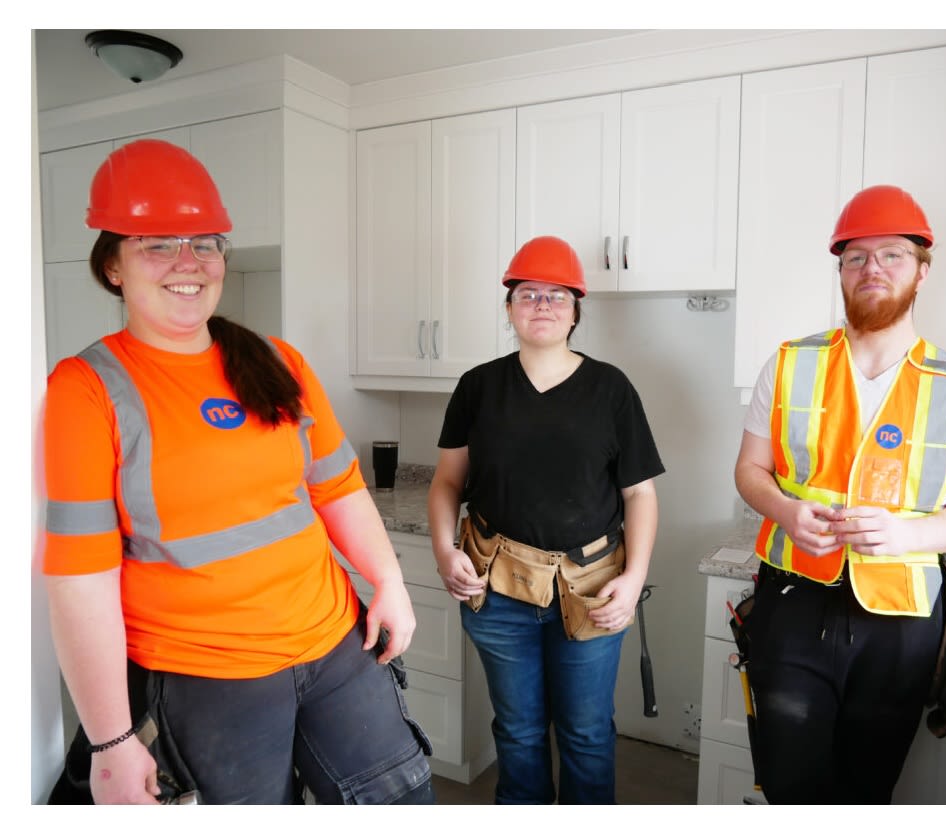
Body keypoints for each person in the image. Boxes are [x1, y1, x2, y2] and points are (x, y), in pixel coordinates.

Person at [43, 139, 434, 804]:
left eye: (205, 241)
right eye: (158, 244)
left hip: (335, 643)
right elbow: (81, 578)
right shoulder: (86, 389)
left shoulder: (277, 361)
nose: (188, 263)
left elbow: (337, 488)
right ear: (112, 266)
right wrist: (110, 741)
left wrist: (389, 580)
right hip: (209, 678)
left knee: (402, 801)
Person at [733, 185, 946, 802]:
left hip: (902, 623)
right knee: (788, 787)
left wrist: (907, 534)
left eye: (892, 255)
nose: (872, 269)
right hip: (793, 602)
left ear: (921, 271)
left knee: (866, 792)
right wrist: (784, 508)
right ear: (841, 272)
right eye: (856, 257)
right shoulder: (787, 364)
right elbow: (750, 470)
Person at [427, 235, 665, 803]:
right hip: (498, 589)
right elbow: (446, 483)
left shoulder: (611, 389)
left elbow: (641, 496)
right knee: (518, 732)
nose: (542, 305)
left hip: (593, 590)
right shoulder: (478, 387)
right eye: (528, 294)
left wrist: (632, 580)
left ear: (576, 310)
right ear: (509, 307)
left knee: (585, 736)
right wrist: (443, 549)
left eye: (557, 296)